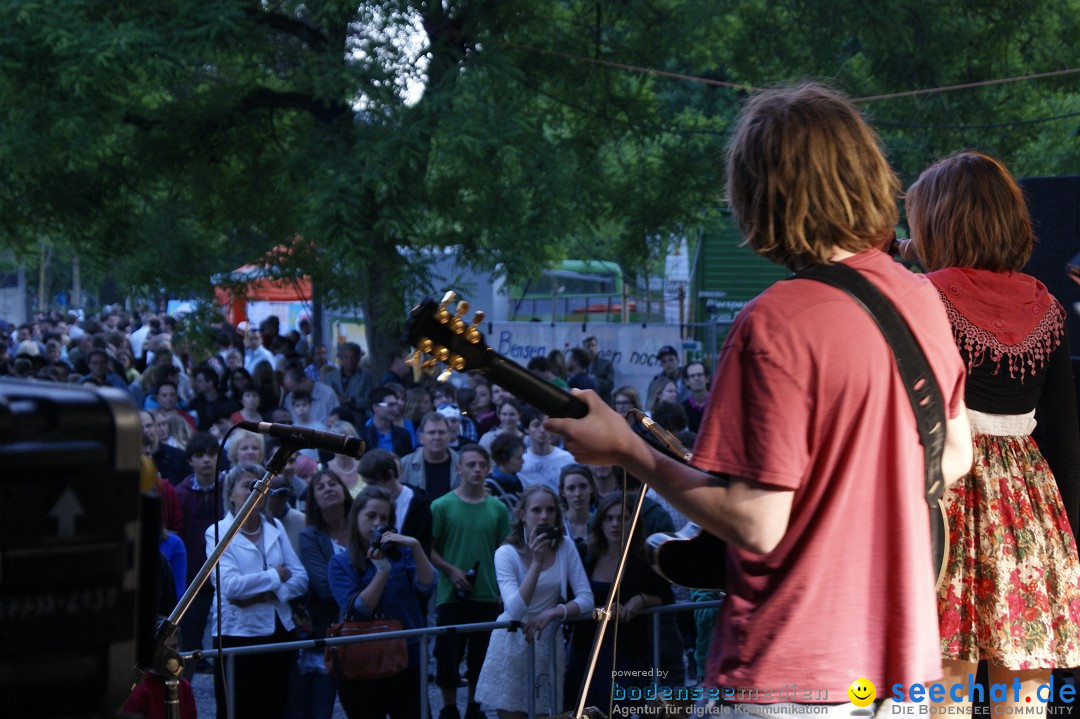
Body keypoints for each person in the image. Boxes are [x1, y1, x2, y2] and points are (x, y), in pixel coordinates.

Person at [545, 82, 974, 714]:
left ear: (758, 196)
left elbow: (758, 520)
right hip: (901, 674)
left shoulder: (774, 322)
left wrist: (626, 452)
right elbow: (955, 457)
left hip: (791, 673)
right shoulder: (922, 300)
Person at [903, 150, 1080, 714]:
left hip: (945, 504)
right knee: (1023, 700)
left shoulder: (923, 297)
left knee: (942, 698)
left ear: (939, 221)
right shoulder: (1046, 305)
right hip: (1030, 511)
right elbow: (1068, 441)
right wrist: (1071, 549)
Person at [475, 485, 594, 718]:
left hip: (547, 637)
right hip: (512, 639)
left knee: (544, 712)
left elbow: (586, 598)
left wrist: (554, 613)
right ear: (522, 515)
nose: (544, 516)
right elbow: (516, 609)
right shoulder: (506, 553)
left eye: (550, 510)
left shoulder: (564, 545)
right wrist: (537, 563)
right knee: (512, 713)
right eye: (536, 510)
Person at [206, 462, 309, 719]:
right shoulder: (217, 532)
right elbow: (230, 586)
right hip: (237, 633)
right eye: (247, 485)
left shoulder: (275, 528)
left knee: (273, 707)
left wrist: (269, 594)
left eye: (259, 486)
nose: (255, 491)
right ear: (230, 494)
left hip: (279, 630)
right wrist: (275, 575)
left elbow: (300, 578)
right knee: (236, 709)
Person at [328, 485, 436, 719]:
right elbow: (360, 609)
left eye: (384, 518)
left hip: (408, 656)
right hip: (363, 663)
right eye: (370, 516)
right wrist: (382, 571)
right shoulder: (340, 563)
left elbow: (426, 586)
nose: (377, 523)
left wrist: (416, 547)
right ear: (355, 518)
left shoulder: (402, 554)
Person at [563, 492, 672, 712]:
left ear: (633, 522)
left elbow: (666, 595)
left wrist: (641, 600)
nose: (615, 524)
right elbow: (570, 600)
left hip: (629, 650)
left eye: (622, 518)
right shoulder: (585, 555)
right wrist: (602, 612)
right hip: (588, 650)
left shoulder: (643, 558)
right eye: (609, 518)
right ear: (599, 522)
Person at [429, 445, 512, 719]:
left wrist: (502, 589)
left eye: (481, 465)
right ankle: (449, 707)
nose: (477, 470)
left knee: (482, 657)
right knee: (447, 657)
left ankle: (475, 707)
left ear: (488, 469)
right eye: (471, 464)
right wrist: (451, 570)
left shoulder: (497, 508)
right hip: (450, 595)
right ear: (459, 468)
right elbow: (429, 548)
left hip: (486, 593)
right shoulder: (441, 506)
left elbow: (504, 550)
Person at [294, 469, 354, 719]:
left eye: (333, 484)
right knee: (319, 709)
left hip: (364, 631)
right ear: (313, 499)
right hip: (326, 630)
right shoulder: (310, 536)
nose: (328, 488)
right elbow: (324, 587)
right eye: (321, 487)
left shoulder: (361, 527)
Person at [360, 448, 433, 556]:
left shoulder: (418, 504)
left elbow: (423, 549)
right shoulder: (366, 500)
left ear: (390, 475)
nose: (369, 488)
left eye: (372, 483)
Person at [399, 412, 461, 501]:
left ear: (449, 436)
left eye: (441, 432)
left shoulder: (462, 463)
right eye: (431, 433)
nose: (437, 437)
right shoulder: (404, 465)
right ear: (421, 438)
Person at [518, 406, 575, 493]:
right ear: (526, 429)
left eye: (546, 425)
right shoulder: (520, 462)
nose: (542, 430)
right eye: (536, 425)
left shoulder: (567, 459)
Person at [558, 463, 596, 561]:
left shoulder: (600, 522)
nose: (578, 494)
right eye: (571, 488)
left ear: (591, 488)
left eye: (583, 487)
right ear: (563, 492)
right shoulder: (557, 525)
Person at [485, 433, 526, 512]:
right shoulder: (488, 486)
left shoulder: (517, 481)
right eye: (518, 458)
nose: (523, 461)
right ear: (503, 459)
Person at [644, 345, 683, 410]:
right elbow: (649, 403)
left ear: (677, 361)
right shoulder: (656, 381)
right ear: (661, 364)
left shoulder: (687, 377)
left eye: (671, 360)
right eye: (664, 361)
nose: (668, 364)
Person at [583, 336, 615, 403]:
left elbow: (610, 384)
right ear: (584, 349)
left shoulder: (606, 365)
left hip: (603, 402)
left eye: (593, 345)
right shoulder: (581, 366)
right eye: (588, 346)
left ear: (597, 347)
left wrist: (594, 380)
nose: (591, 348)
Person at [681, 361, 710, 434]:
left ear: (707, 378)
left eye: (699, 375)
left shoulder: (718, 405)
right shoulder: (681, 409)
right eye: (692, 376)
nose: (696, 378)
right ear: (687, 381)